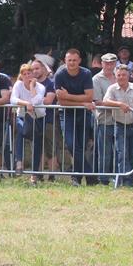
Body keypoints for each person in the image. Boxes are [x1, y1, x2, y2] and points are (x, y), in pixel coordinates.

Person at [54, 48, 95, 185]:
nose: (71, 63)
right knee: (71, 144)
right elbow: (61, 101)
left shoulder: (86, 73)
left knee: (81, 146)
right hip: (67, 114)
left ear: (79, 61)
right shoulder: (59, 74)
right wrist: (82, 102)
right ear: (65, 61)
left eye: (74, 60)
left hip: (84, 114)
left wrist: (68, 96)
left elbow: (89, 97)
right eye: (69, 60)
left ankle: (76, 177)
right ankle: (90, 175)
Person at [101, 63, 133, 186]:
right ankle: (125, 180)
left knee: (132, 154)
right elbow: (105, 101)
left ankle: (130, 180)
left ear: (128, 75)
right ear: (115, 76)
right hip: (120, 125)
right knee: (122, 153)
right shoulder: (112, 88)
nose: (121, 77)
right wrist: (119, 104)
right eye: (119, 75)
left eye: (124, 75)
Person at [10, 62, 46, 182]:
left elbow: (36, 100)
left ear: (32, 74)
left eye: (29, 73)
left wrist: (31, 86)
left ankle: (34, 174)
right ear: (21, 75)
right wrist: (26, 103)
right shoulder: (18, 84)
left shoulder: (40, 87)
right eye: (24, 74)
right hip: (22, 116)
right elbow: (13, 99)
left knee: (37, 144)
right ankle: (19, 162)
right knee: (21, 133)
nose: (27, 76)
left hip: (38, 117)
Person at [92, 53, 119, 184]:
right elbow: (97, 101)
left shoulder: (119, 76)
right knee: (105, 151)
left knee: (119, 150)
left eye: (112, 63)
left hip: (120, 120)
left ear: (115, 63)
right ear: (102, 64)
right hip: (104, 120)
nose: (109, 65)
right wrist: (119, 105)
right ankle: (103, 178)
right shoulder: (96, 79)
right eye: (106, 63)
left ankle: (118, 177)